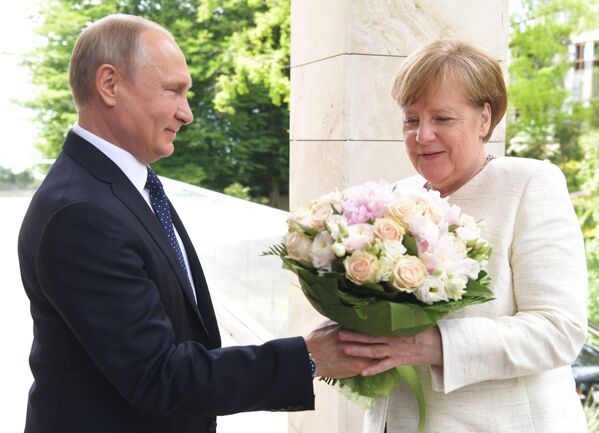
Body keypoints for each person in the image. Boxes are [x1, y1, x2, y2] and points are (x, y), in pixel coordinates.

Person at [17, 14, 377, 433]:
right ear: (109, 84)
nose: (186, 114)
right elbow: (158, 375)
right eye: (173, 91)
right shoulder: (79, 212)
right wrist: (307, 357)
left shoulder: (126, 184)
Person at [339, 39, 589, 432]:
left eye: (442, 118)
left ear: (484, 119)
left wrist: (435, 344)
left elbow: (559, 330)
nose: (422, 135)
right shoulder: (395, 198)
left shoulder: (529, 184)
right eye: (410, 119)